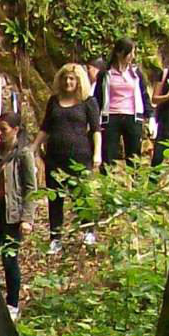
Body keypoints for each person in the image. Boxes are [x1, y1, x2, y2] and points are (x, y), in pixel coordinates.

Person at [39, 63, 101, 254]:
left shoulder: (88, 101)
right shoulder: (54, 101)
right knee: (55, 198)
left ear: (79, 81)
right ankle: (55, 238)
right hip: (54, 157)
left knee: (81, 195)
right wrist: (33, 147)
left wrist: (97, 153)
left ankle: (88, 231)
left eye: (72, 78)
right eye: (65, 78)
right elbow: (45, 127)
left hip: (80, 156)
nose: (68, 82)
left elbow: (96, 130)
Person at [0, 111, 37, 319]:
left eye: (4, 130)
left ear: (15, 130)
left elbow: (30, 188)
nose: (0, 134)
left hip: (13, 213)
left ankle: (12, 303)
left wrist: (27, 218)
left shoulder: (23, 154)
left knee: (9, 258)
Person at [93, 38, 150, 169]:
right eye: (130, 53)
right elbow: (97, 97)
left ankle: (134, 180)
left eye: (133, 53)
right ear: (119, 53)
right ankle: (107, 179)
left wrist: (150, 116)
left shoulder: (136, 73)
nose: (132, 56)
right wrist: (95, 118)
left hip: (132, 117)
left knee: (134, 155)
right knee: (108, 153)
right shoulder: (105, 73)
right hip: (110, 117)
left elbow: (144, 95)